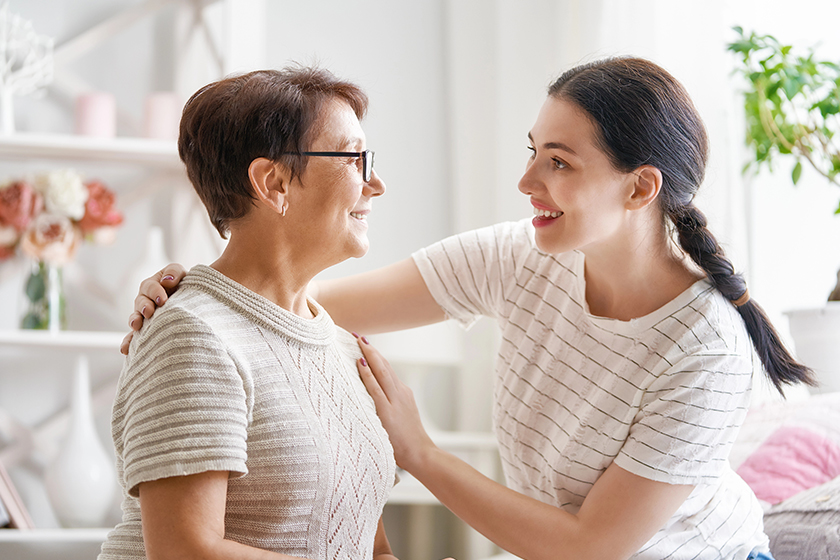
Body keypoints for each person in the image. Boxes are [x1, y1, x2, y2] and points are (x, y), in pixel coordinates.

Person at [125, 57, 811, 560]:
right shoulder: (519, 256)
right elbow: (280, 306)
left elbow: (590, 546)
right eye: (534, 152)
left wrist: (417, 450)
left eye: (561, 163)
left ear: (639, 189)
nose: (525, 181)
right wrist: (194, 289)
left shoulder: (707, 347)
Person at [100, 66, 400, 560]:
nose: (377, 184)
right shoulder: (192, 332)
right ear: (274, 181)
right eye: (354, 159)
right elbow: (184, 551)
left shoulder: (344, 349)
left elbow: (365, 547)